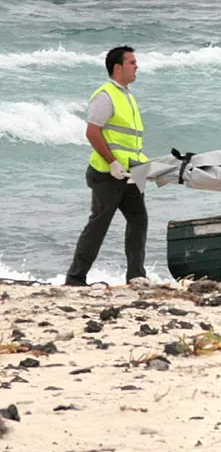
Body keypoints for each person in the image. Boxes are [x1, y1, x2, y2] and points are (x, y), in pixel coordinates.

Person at [66, 46, 149, 286]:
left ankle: (136, 276)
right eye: (132, 62)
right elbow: (92, 133)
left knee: (139, 220)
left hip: (133, 171)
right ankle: (75, 278)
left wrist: (142, 167)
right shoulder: (105, 95)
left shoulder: (128, 96)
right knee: (99, 224)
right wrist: (112, 162)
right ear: (117, 67)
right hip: (108, 173)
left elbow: (130, 139)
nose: (137, 66)